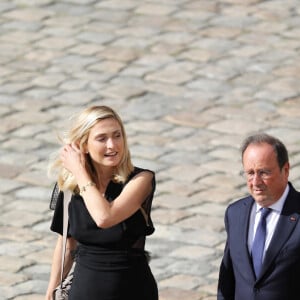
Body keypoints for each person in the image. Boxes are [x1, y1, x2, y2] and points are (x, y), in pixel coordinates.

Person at [45, 105, 158, 300]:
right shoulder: (70, 187)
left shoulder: (141, 180)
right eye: (101, 138)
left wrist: (80, 173)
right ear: (83, 145)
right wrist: (51, 291)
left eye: (117, 135)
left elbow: (105, 217)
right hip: (84, 291)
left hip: (132, 291)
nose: (112, 145)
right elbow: (66, 243)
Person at [217, 132, 300, 300]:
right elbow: (228, 280)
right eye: (250, 173)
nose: (255, 182)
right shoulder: (235, 213)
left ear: (285, 170)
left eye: (264, 173)